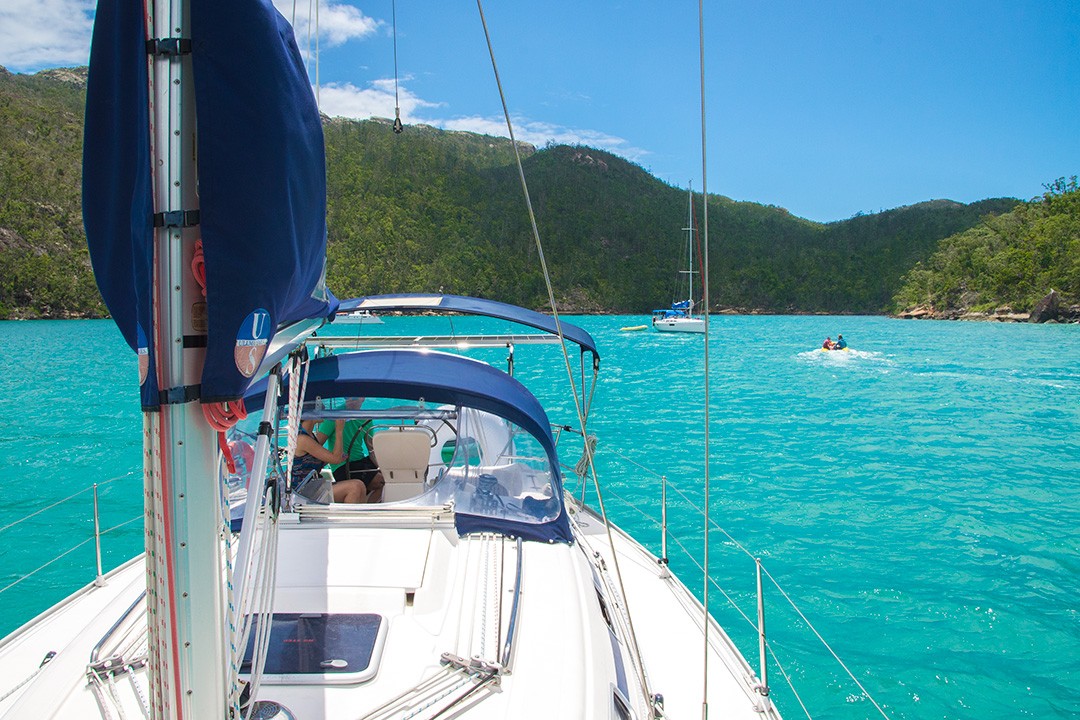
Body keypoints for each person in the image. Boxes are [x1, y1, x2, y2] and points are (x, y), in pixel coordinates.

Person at [318, 398, 385, 503]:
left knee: (388, 479)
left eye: (354, 397)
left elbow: (371, 448)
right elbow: (317, 444)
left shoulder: (366, 418)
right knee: (381, 481)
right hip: (342, 465)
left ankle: (364, 505)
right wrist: (330, 458)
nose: (350, 400)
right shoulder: (334, 417)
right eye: (347, 397)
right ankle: (365, 507)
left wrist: (382, 469)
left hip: (360, 461)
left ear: (362, 398)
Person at [290, 417, 367, 503]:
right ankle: (347, 512)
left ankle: (355, 512)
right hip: (302, 492)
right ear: (310, 416)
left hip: (313, 486)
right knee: (355, 487)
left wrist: (333, 457)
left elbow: (310, 461)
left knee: (360, 486)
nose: (323, 413)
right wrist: (339, 430)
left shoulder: (309, 435)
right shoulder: (303, 439)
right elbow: (336, 459)